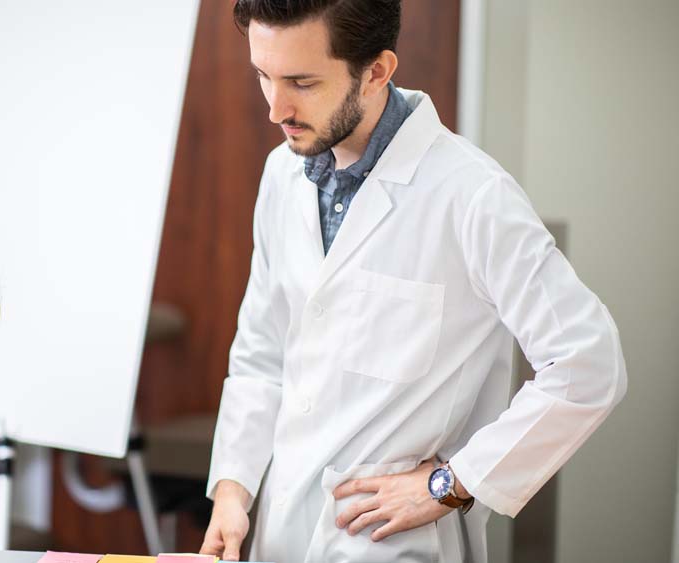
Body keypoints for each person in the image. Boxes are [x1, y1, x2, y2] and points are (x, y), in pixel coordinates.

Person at [199, 1, 627, 561]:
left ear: (376, 71)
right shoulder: (283, 173)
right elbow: (261, 353)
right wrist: (233, 492)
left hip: (395, 544)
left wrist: (453, 483)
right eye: (264, 76)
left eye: (302, 82)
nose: (276, 108)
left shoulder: (473, 196)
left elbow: (588, 364)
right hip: (280, 533)